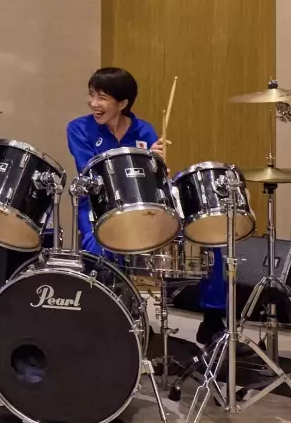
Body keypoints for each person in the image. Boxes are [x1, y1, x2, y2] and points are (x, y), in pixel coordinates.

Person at [66, 67, 226, 345]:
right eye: (91, 95)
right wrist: (138, 158)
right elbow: (89, 170)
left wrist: (156, 162)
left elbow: (156, 178)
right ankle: (106, 317)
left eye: (102, 97)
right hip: (98, 207)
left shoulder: (144, 129)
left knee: (207, 238)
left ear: (122, 103)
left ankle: (212, 321)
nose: (93, 103)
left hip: (145, 206)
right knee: (98, 248)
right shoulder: (78, 128)